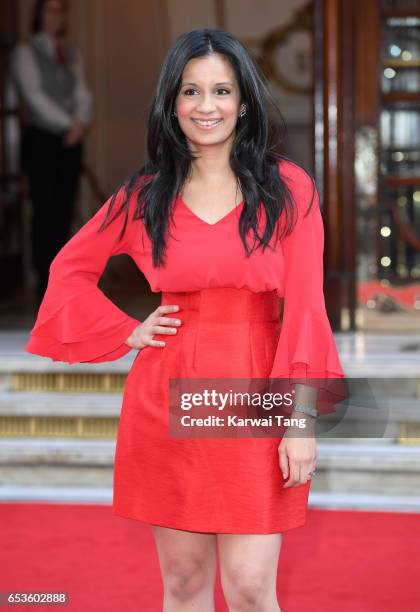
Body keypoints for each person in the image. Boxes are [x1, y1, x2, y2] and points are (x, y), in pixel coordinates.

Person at [25, 28, 345, 612]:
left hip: (255, 389)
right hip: (166, 394)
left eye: (221, 90)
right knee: (184, 585)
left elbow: (306, 308)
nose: (207, 106)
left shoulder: (288, 189)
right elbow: (69, 268)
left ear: (244, 101)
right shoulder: (146, 193)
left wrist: (300, 422)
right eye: (191, 92)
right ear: (172, 104)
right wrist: (126, 329)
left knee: (251, 587)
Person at [11, 0, 92, 304]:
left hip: (70, 140)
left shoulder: (71, 52)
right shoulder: (25, 51)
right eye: (50, 10)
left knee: (64, 210)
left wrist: (81, 123)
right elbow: (34, 95)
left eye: (60, 11)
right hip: (43, 140)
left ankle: (63, 282)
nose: (55, 16)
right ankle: (43, 283)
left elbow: (83, 91)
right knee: (45, 212)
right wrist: (68, 123)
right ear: (39, 15)